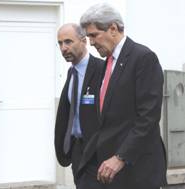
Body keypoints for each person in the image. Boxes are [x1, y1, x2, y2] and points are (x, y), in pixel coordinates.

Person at [78, 3, 167, 189]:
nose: (91, 42)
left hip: (136, 169)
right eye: (88, 37)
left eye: (93, 35)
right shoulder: (107, 63)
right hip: (109, 170)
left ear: (113, 28)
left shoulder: (143, 58)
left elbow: (148, 117)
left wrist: (120, 157)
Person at [54, 23, 104, 188]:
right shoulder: (72, 73)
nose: (63, 48)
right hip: (78, 151)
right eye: (60, 43)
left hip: (97, 152)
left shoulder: (101, 70)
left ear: (84, 41)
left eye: (68, 42)